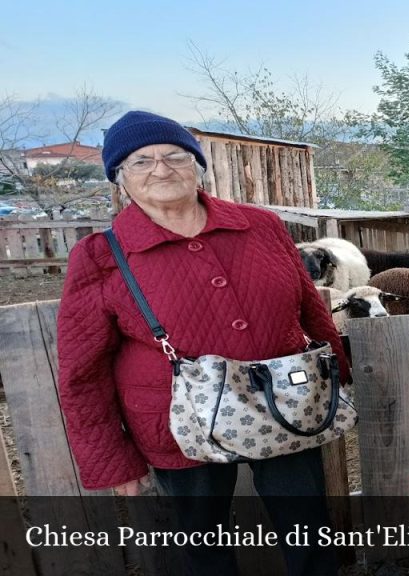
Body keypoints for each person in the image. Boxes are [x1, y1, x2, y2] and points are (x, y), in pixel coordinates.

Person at [56, 111, 345, 575]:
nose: (161, 169)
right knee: (202, 545)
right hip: (177, 424)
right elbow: (81, 370)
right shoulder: (100, 256)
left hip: (285, 407)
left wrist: (337, 379)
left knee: (309, 531)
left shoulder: (261, 226)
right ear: (119, 178)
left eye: (174, 156)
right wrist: (112, 459)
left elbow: (309, 307)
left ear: (198, 165)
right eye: (140, 161)